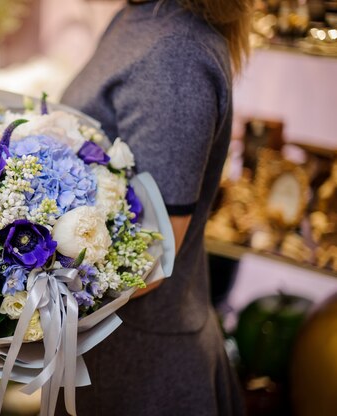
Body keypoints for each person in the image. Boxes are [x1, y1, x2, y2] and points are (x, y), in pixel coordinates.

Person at [55, 0, 252, 414]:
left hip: (146, 376)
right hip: (105, 357)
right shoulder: (139, 17)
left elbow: (149, 259)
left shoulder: (174, 55)